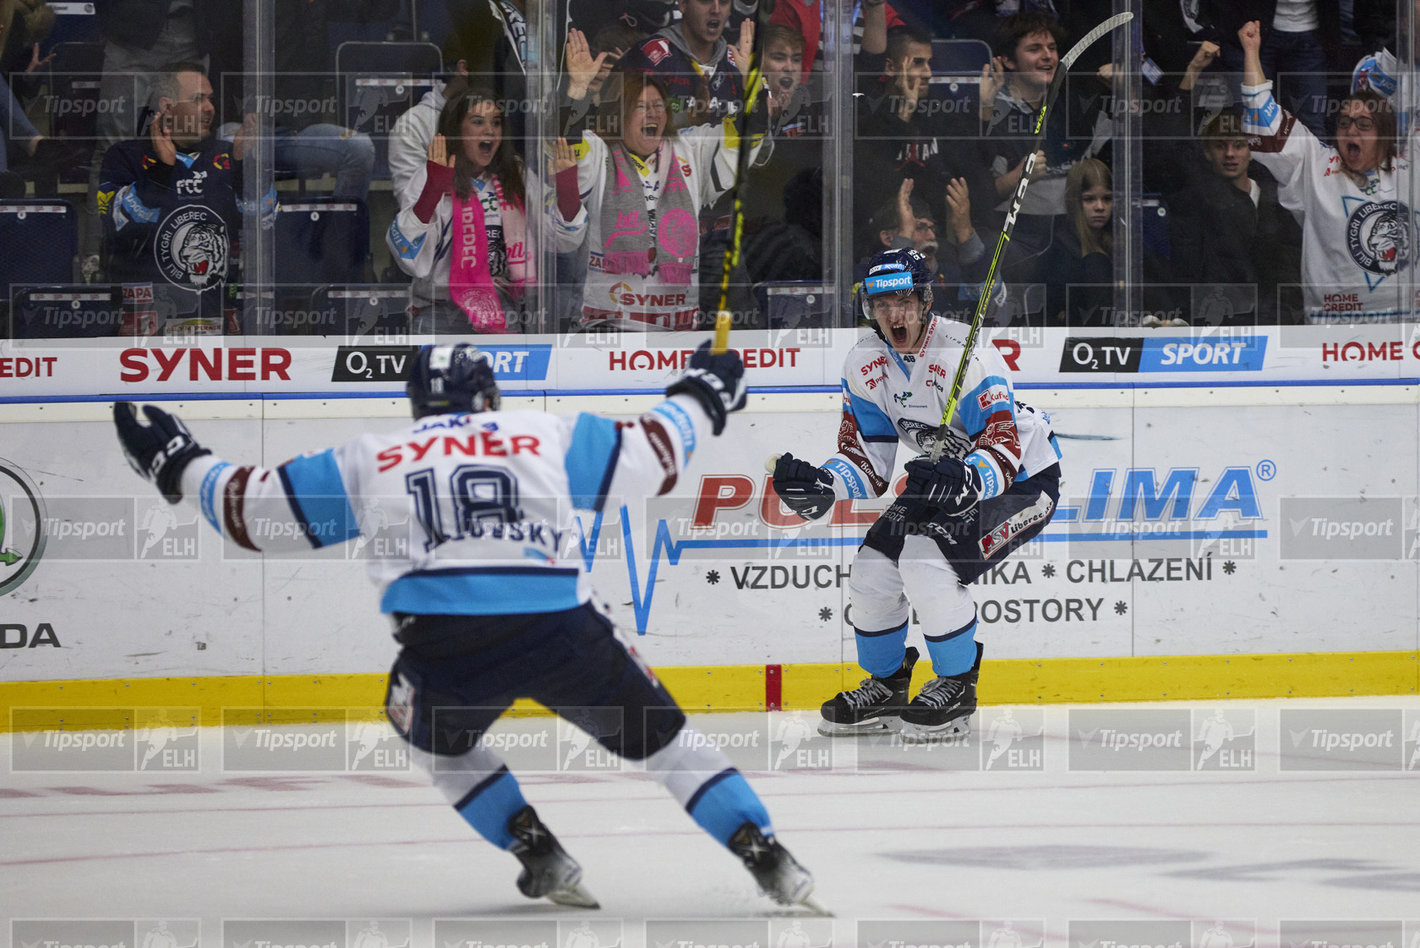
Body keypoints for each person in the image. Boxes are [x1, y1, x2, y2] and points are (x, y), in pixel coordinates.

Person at [110, 341, 820, 911]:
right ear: (490, 397)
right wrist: (706, 390)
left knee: (429, 736)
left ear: (419, 404)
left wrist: (178, 463)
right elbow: (654, 458)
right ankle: (765, 853)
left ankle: (533, 846)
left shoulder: (371, 458)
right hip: (561, 631)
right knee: (668, 746)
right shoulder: (541, 433)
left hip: (444, 652)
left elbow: (251, 513)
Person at [769, 247, 1062, 741]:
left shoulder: (963, 351)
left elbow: (1004, 445)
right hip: (944, 480)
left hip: (1022, 482)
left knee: (925, 562)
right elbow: (868, 462)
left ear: (925, 300)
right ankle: (887, 686)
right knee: (870, 572)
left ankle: (956, 685)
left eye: (903, 300)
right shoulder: (864, 361)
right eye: (880, 304)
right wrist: (823, 485)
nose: (892, 314)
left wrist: (967, 479)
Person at [1239, 19, 1415, 322]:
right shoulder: (1316, 166)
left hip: (1409, 335)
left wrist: (1408, 30)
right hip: (1332, 336)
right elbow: (1263, 118)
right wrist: (1251, 52)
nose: (1350, 131)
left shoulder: (1413, 166)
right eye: (1344, 123)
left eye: (1363, 125)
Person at [570, 71, 766, 330]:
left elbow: (746, 135)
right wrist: (577, 89)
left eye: (658, 105)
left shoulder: (690, 149)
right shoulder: (598, 150)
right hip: (608, 327)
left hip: (677, 332)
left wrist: (752, 85)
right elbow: (565, 146)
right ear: (619, 114)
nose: (652, 113)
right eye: (641, 106)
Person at [386, 89, 587, 333]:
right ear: (456, 130)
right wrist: (432, 191)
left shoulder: (517, 174)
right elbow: (407, 257)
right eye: (478, 122)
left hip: (503, 310)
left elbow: (562, 238)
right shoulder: (432, 175)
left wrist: (567, 188)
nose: (489, 131)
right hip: (440, 311)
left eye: (496, 123)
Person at [96, 62, 258, 331]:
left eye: (210, 99)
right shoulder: (126, 156)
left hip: (217, 319)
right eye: (198, 99)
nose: (210, 108)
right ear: (167, 108)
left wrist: (245, 169)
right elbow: (117, 224)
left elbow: (265, 221)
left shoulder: (230, 156)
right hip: (145, 323)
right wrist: (161, 172)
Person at [1165, 110, 1304, 324]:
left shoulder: (1278, 201)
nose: (1230, 154)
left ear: (1252, 150)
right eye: (1221, 146)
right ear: (1207, 151)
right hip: (1220, 320)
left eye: (1239, 145)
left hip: (1274, 320)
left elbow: (1289, 269)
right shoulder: (1194, 203)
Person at [615, 0, 752, 130]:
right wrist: (688, 118)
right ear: (682, 5)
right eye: (705, 1)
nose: (716, 10)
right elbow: (622, 124)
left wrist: (755, 93)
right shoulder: (649, 57)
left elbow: (763, 148)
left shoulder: (739, 65)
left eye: (723, 2)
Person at [1039, 157, 1112, 326]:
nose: (1100, 207)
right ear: (1075, 201)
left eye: (1107, 199)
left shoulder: (1123, 245)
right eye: (1089, 199)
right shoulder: (1057, 250)